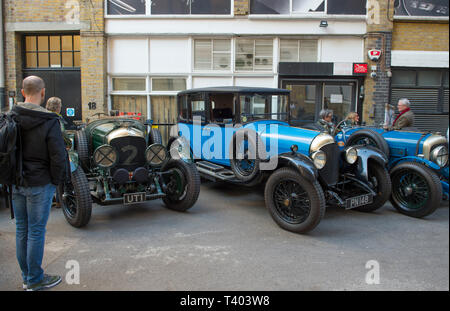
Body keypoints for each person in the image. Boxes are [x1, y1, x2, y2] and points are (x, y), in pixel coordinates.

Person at [11, 76, 66, 291]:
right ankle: (34, 279)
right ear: (43, 93)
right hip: (40, 183)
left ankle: (27, 276)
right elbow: (58, 156)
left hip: (17, 182)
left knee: (21, 230)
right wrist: (55, 181)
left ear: (23, 93)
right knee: (35, 231)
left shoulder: (11, 116)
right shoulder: (49, 120)